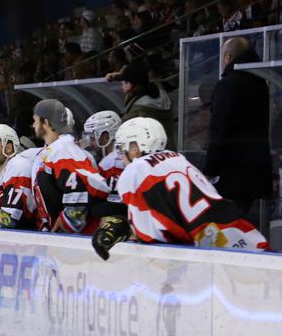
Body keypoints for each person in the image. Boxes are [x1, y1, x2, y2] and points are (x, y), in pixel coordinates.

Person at [91, 118, 268, 259]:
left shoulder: (135, 171)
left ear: (135, 147)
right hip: (241, 234)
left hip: (213, 251)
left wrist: (124, 228)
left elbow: (151, 236)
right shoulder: (177, 158)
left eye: (122, 149)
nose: (121, 156)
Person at [205, 37, 272, 215]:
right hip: (255, 169)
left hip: (231, 172)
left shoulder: (227, 85)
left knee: (223, 222)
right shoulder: (260, 83)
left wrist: (210, 168)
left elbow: (219, 128)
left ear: (228, 57)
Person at [30, 99, 110, 234]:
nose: (33, 125)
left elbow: (84, 188)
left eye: (35, 120)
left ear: (46, 123)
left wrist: (68, 222)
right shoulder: (57, 149)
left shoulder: (64, 150)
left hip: (74, 239)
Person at [119, 59, 175, 149]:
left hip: (148, 155)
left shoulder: (136, 111)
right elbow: (141, 76)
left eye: (122, 83)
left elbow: (124, 137)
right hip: (169, 151)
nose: (121, 87)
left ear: (129, 84)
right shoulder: (160, 93)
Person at [82, 110, 124, 201]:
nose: (90, 143)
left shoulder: (108, 165)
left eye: (92, 138)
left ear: (106, 137)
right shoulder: (125, 151)